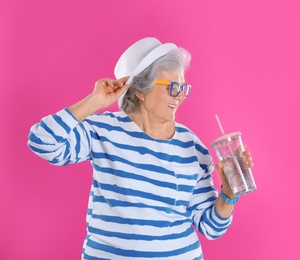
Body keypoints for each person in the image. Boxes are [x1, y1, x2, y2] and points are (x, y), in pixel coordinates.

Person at [28, 37, 253, 260]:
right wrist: (95, 101)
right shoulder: (103, 131)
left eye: (184, 87)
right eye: (173, 87)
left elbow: (211, 228)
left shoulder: (192, 146)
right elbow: (43, 141)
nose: (181, 95)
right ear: (140, 91)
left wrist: (229, 193)